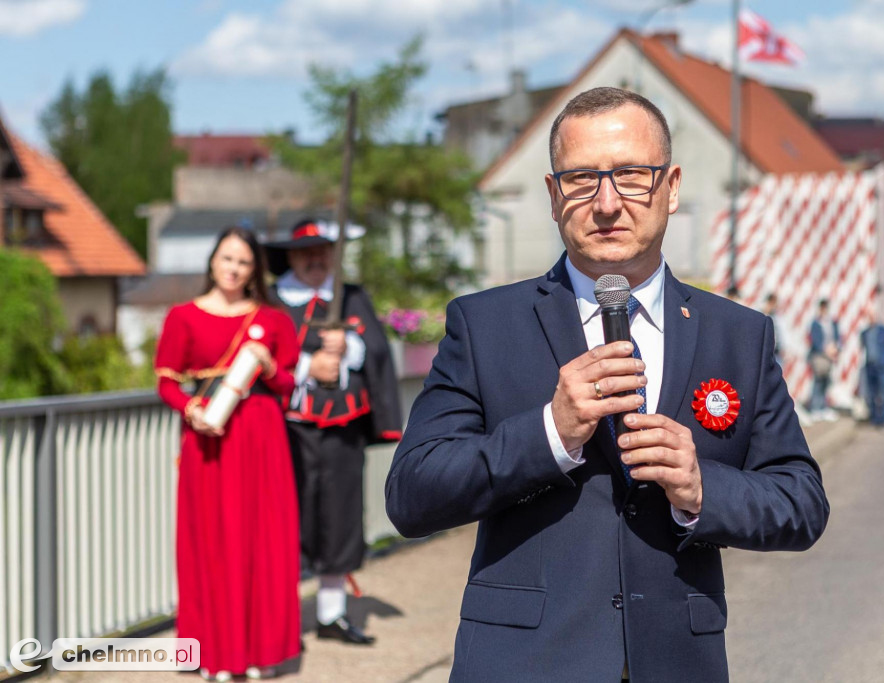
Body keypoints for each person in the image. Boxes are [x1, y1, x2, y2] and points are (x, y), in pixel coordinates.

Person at [385, 88, 828, 682]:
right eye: (581, 180)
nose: (607, 203)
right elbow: (411, 496)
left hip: (676, 664)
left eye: (630, 176)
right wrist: (550, 433)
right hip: (525, 665)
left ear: (670, 187)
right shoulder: (485, 325)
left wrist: (701, 488)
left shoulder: (738, 335)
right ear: (551, 195)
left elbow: (801, 503)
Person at [154, 227, 301, 681]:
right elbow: (166, 383)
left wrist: (270, 363)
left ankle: (259, 651)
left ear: (254, 268)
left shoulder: (274, 319)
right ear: (212, 261)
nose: (233, 268)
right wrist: (192, 409)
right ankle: (215, 652)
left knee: (262, 539)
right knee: (212, 539)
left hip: (261, 437)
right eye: (226, 258)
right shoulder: (182, 316)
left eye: (243, 261)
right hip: (209, 440)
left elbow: (288, 384)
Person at [264, 219, 402, 646]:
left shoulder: (352, 296)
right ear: (290, 256)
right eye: (307, 253)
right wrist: (309, 362)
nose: (316, 260)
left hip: (344, 427)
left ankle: (331, 614)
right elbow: (264, 356)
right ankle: (280, 620)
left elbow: (376, 351)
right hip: (288, 428)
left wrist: (349, 346)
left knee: (341, 519)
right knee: (286, 520)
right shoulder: (272, 302)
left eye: (324, 252)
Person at [859, 306, 884, 426]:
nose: (871, 319)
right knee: (871, 394)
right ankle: (874, 417)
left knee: (882, 392)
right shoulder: (865, 332)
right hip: (870, 365)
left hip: (880, 365)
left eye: (873, 316)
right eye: (869, 317)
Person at [807, 298, 841, 422]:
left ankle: (823, 407)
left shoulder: (832, 322)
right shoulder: (815, 323)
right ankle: (815, 408)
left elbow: (838, 338)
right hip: (819, 357)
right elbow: (815, 341)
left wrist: (836, 349)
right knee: (818, 382)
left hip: (830, 357)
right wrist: (826, 350)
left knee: (826, 383)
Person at [763, 292, 785, 367]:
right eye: (772, 303)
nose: (774, 306)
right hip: (764, 352)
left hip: (775, 353)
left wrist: (782, 347)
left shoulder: (777, 317)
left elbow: (781, 335)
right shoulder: (761, 315)